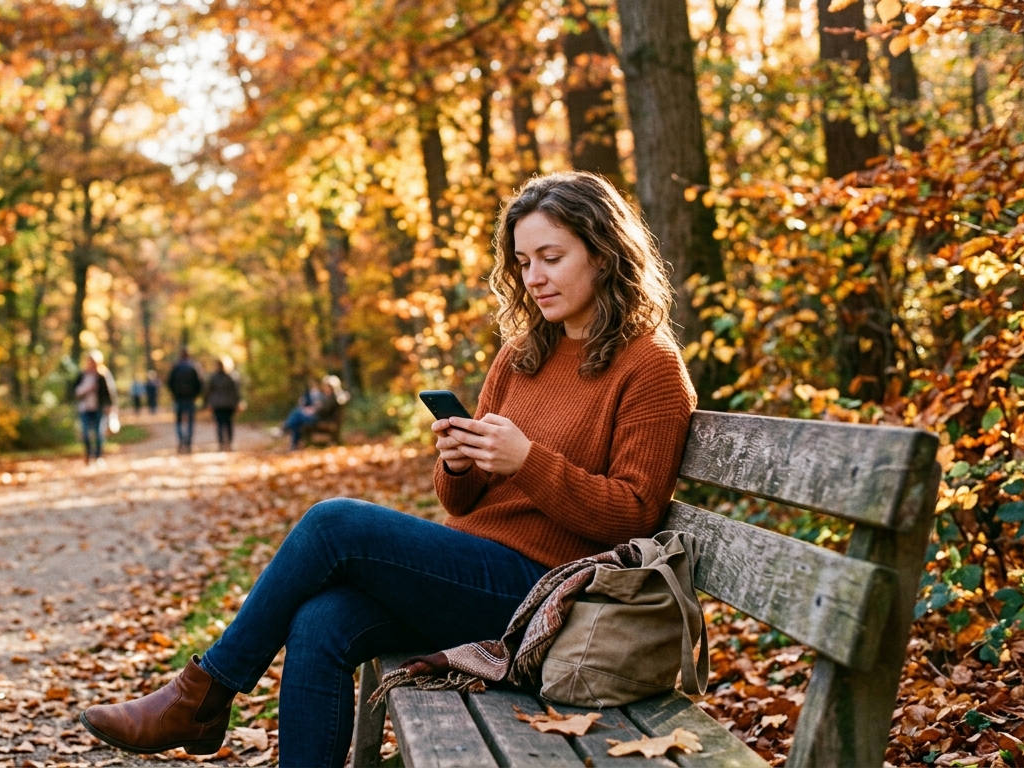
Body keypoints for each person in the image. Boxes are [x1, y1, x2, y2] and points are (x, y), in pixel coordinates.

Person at [78, 172, 697, 767]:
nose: (533, 277)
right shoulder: (522, 355)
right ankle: (206, 704)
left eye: (551, 257)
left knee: (332, 524)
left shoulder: (650, 366)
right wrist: (459, 461)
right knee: (319, 621)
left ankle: (203, 693)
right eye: (523, 262)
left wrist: (528, 462)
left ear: (605, 252)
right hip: (474, 570)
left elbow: (634, 516)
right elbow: (460, 506)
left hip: (545, 592)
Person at [70, 350, 119, 464]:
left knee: (98, 432)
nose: (91, 363)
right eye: (89, 361)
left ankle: (98, 456)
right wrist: (87, 389)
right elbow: (74, 391)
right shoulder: (82, 375)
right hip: (84, 408)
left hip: (99, 408)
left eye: (93, 361)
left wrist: (111, 406)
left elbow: (110, 392)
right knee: (85, 432)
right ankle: (88, 455)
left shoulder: (102, 375)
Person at [281, 378, 338, 449]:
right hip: (317, 417)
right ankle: (293, 444)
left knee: (297, 414)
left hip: (320, 419)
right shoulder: (325, 397)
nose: (326, 388)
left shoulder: (331, 398)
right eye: (326, 387)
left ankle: (286, 427)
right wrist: (310, 409)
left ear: (332, 389)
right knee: (297, 421)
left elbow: (323, 410)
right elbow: (318, 406)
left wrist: (313, 410)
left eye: (328, 387)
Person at [167, 349, 203, 453]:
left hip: (178, 398)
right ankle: (188, 443)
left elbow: (169, 382)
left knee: (179, 421)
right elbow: (199, 383)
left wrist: (173, 394)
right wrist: (196, 395)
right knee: (190, 422)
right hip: (190, 399)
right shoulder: (194, 366)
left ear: (180, 355)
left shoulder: (176, 367)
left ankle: (181, 440)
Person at [205, 357, 242, 451]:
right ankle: (229, 443)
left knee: (220, 424)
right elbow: (236, 391)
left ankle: (222, 444)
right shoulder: (232, 376)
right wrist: (238, 401)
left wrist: (208, 403)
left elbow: (208, 391)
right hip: (229, 404)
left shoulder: (214, 377)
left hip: (218, 404)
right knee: (228, 423)